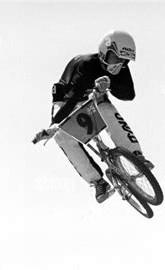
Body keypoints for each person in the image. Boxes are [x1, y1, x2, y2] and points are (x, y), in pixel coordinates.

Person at [46, 29, 153, 203]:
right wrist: (55, 124)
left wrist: (111, 83)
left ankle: (136, 156)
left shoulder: (121, 69)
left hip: (92, 98)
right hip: (67, 100)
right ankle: (97, 182)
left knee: (105, 107)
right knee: (61, 136)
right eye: (114, 59)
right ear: (104, 51)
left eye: (123, 61)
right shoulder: (86, 65)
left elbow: (129, 95)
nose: (117, 66)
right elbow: (73, 98)